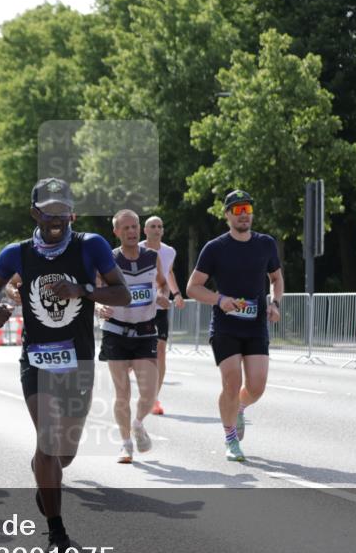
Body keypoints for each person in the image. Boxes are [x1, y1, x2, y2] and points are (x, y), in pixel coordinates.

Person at [0, 178, 130, 553]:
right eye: (49, 211)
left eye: (63, 211)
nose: (56, 218)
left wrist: (84, 291)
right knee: (48, 440)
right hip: (36, 358)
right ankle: (57, 533)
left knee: (64, 454)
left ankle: (45, 478)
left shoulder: (91, 246)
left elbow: (123, 293)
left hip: (78, 360)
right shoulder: (17, 253)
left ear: (72, 214)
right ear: (36, 213)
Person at [186, 190, 284, 462]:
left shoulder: (265, 244)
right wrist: (220, 299)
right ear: (227, 214)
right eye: (238, 210)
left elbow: (276, 278)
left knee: (257, 386)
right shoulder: (215, 248)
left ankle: (239, 408)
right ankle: (230, 439)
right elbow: (192, 287)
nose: (244, 215)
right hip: (225, 327)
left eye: (248, 209)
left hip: (255, 326)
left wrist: (275, 304)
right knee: (232, 382)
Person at [98, 210, 167, 463]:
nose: (131, 231)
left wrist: (162, 295)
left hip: (145, 331)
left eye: (134, 226)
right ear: (116, 232)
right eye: (125, 228)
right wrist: (98, 308)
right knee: (122, 393)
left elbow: (162, 283)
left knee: (149, 393)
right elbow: (95, 292)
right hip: (115, 331)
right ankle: (126, 444)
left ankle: (138, 423)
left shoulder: (152, 256)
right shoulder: (108, 260)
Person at [141, 215, 184, 414]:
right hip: (139, 308)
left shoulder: (169, 251)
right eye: (153, 226)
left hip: (161, 308)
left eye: (160, 226)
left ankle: (154, 399)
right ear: (145, 230)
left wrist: (176, 294)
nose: (157, 229)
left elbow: (169, 273)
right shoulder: (137, 249)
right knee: (140, 355)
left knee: (160, 352)